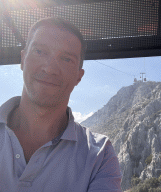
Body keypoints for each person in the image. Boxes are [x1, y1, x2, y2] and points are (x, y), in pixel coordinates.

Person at [0, 17, 122, 191]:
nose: (49, 68)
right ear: (23, 59)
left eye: (66, 59)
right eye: (39, 51)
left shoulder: (99, 155)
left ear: (79, 77)